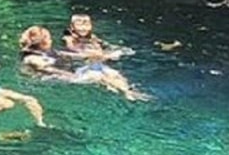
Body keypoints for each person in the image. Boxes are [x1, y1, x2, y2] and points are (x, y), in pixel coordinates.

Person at [19, 26, 150, 101]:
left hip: (68, 74)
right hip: (51, 79)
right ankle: (124, 92)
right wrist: (74, 77)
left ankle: (128, 91)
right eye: (48, 37)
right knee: (97, 76)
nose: (51, 39)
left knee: (106, 69)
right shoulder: (30, 58)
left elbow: (70, 55)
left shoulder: (49, 51)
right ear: (42, 42)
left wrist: (101, 55)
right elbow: (48, 70)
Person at [63, 14, 134, 60]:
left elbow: (100, 43)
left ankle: (102, 56)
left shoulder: (92, 36)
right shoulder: (68, 37)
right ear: (72, 27)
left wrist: (111, 47)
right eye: (79, 26)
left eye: (87, 25)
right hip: (79, 51)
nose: (83, 28)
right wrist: (84, 52)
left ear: (91, 26)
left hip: (89, 49)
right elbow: (70, 47)